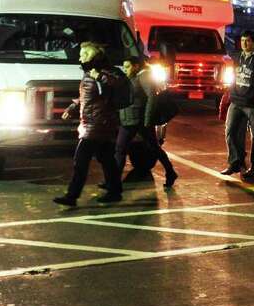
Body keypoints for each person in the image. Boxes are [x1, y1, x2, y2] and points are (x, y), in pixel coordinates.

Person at [54, 42, 124, 207]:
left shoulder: (103, 71)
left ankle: (72, 196)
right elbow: (87, 96)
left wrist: (99, 76)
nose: (80, 58)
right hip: (95, 122)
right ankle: (115, 191)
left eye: (84, 55)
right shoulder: (89, 72)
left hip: (97, 123)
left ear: (94, 56)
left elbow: (117, 82)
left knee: (81, 160)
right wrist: (72, 107)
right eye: (80, 54)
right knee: (107, 159)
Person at [114, 56, 177, 189]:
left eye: (127, 67)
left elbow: (152, 98)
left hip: (137, 120)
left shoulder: (144, 76)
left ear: (136, 66)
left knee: (120, 149)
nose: (125, 70)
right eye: (124, 67)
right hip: (132, 119)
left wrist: (147, 120)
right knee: (153, 148)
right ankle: (171, 172)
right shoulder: (134, 76)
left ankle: (113, 182)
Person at [219, 30, 254, 181]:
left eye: (248, 41)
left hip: (253, 104)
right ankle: (235, 162)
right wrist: (230, 93)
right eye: (242, 41)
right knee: (230, 131)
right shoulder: (237, 57)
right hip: (236, 101)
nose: (244, 43)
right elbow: (231, 77)